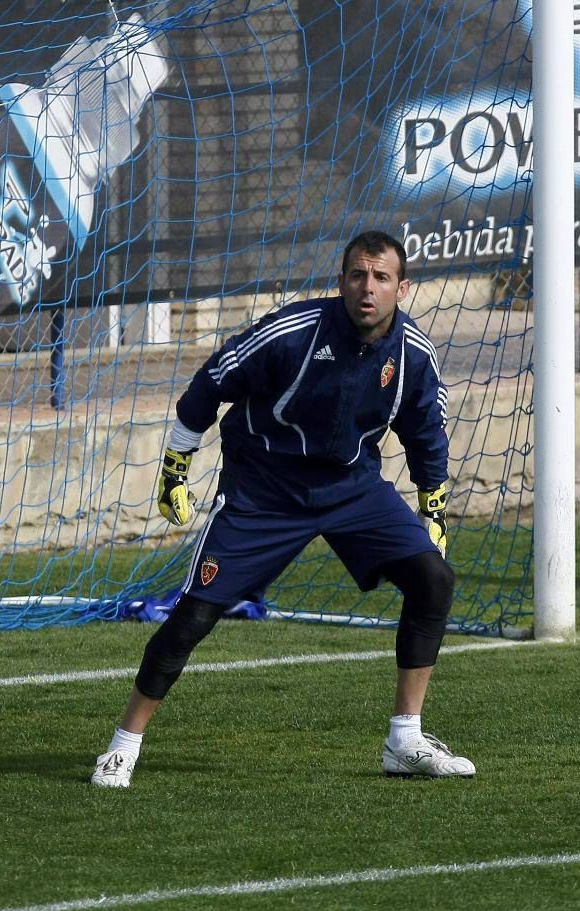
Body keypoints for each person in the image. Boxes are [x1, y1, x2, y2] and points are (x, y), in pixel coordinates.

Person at [91, 230, 475, 788]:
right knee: (192, 618)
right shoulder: (292, 332)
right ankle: (123, 746)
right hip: (264, 491)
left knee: (433, 581)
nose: (368, 288)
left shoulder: (415, 354)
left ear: (402, 287)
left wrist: (433, 507)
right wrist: (176, 462)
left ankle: (405, 740)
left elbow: (425, 431)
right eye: (357, 275)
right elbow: (213, 380)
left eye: (381, 277)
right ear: (341, 281)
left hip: (352, 488)